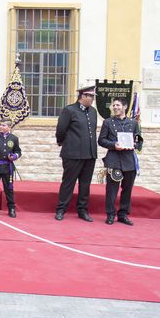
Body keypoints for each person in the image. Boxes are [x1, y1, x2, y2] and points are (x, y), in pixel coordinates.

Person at [55, 85, 98, 222]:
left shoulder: (93, 111)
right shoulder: (69, 110)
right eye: (90, 96)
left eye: (93, 96)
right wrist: (62, 142)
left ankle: (82, 210)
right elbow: (61, 129)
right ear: (83, 96)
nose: (92, 99)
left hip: (90, 154)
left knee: (85, 185)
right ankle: (61, 209)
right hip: (72, 154)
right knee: (68, 183)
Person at [98, 97, 143, 226]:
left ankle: (123, 214)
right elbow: (101, 140)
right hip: (114, 159)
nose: (115, 107)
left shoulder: (133, 123)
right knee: (112, 189)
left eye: (118, 105)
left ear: (125, 107)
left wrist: (136, 143)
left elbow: (139, 140)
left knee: (127, 189)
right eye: (114, 105)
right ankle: (110, 214)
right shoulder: (107, 122)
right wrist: (113, 144)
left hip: (129, 161)